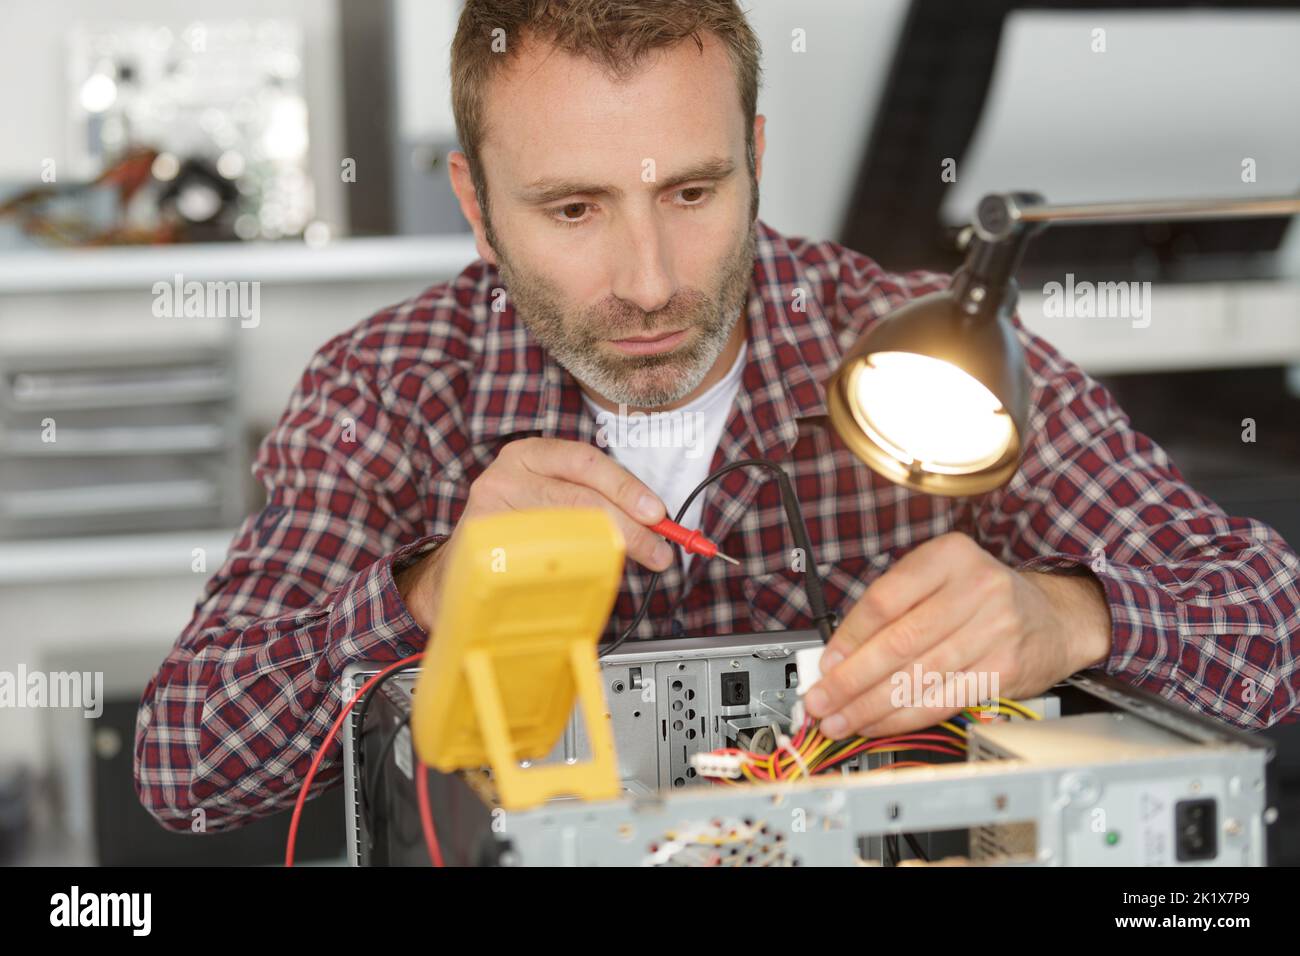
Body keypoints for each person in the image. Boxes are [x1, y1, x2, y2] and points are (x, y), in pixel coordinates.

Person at [135, 0, 1299, 832]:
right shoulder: (388, 388)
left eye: (690, 192)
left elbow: (1270, 614)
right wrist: (427, 588)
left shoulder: (921, 343)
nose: (647, 279)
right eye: (573, 207)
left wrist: (1067, 611)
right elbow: (183, 762)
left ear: (753, 155)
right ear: (477, 208)